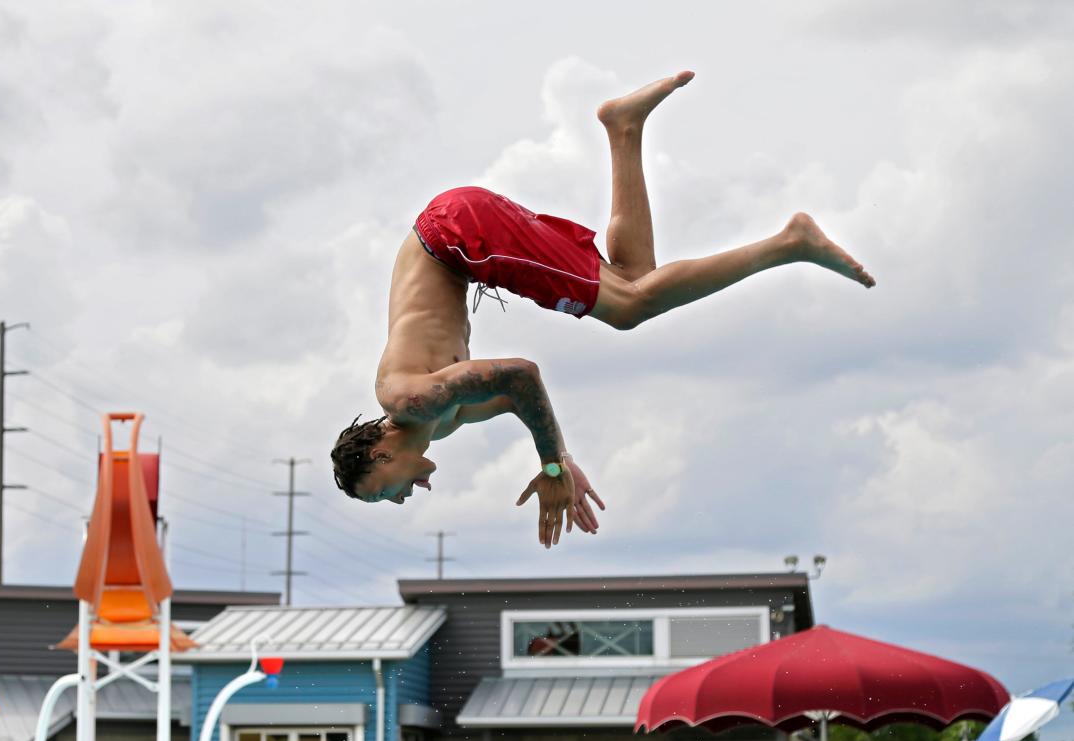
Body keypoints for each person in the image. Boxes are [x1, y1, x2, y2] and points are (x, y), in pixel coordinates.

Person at [330, 71, 875, 547]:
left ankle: (788, 242)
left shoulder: (409, 399)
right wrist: (560, 463)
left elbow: (522, 376)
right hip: (461, 241)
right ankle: (624, 127)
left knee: (631, 306)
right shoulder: (441, 423)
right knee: (636, 278)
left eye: (384, 496)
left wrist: (550, 467)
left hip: (457, 234)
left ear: (379, 459)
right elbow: (515, 402)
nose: (401, 501)